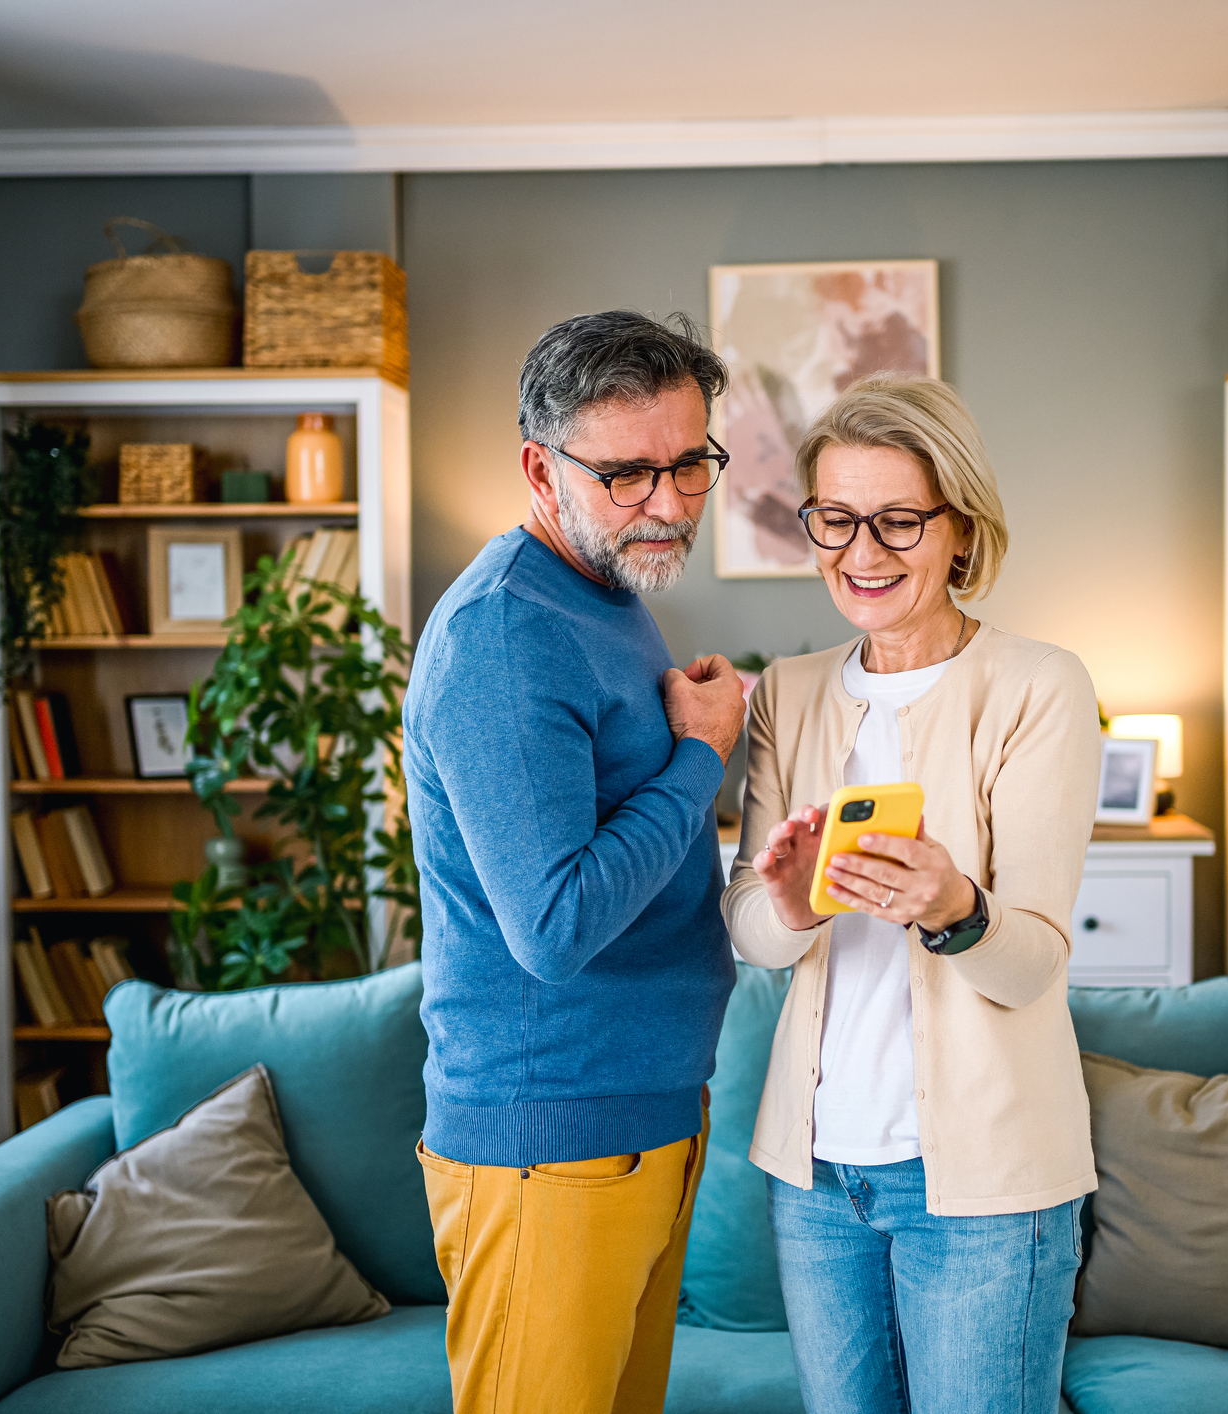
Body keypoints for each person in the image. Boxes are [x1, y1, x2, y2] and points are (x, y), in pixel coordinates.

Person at [722, 374, 1102, 1414]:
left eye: (897, 520)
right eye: (835, 519)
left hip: (983, 1188)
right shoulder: (788, 695)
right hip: (818, 1178)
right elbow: (753, 930)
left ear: (961, 527)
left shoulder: (1041, 686)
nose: (863, 552)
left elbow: (1033, 961)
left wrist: (955, 906)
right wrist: (794, 905)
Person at [403, 310, 747, 1414]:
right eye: (627, 473)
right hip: (548, 1146)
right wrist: (700, 756)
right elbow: (553, 927)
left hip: (643, 1123)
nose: (667, 501)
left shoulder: (606, 592)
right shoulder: (507, 631)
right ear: (539, 470)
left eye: (689, 463)